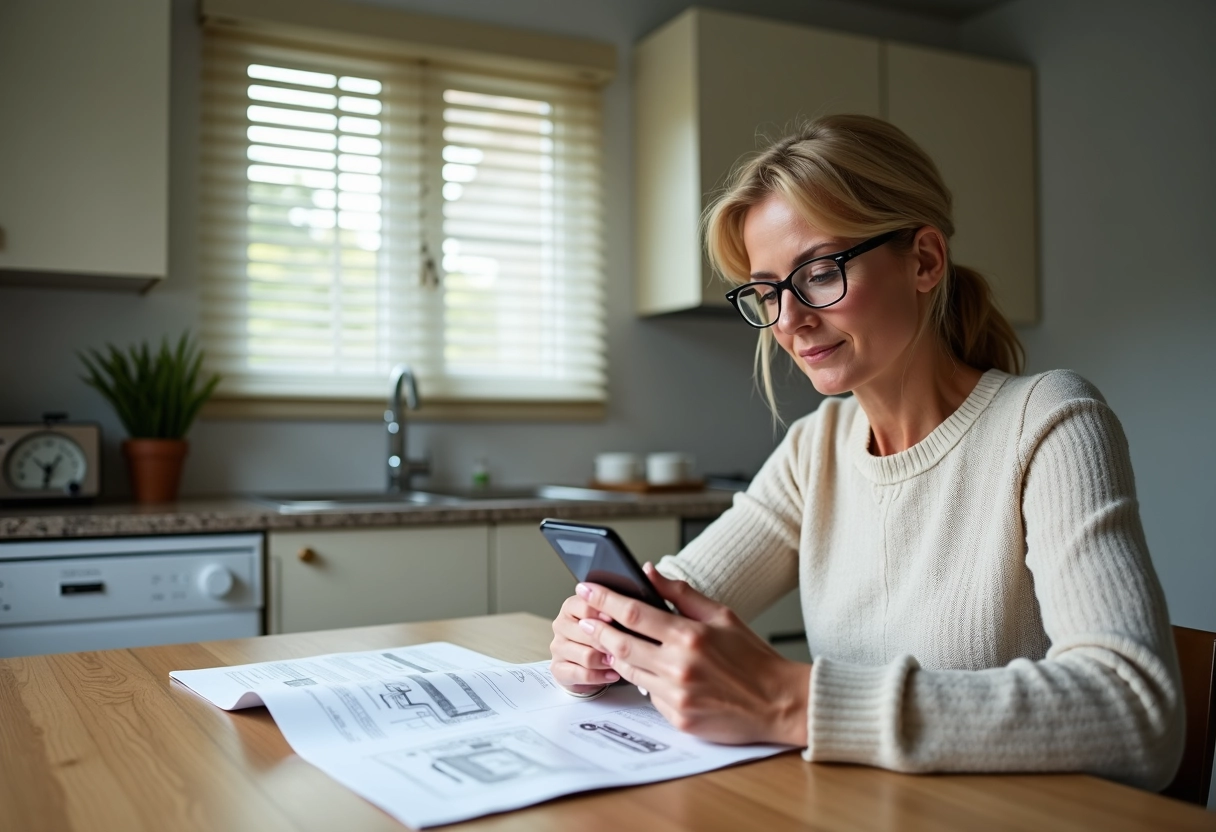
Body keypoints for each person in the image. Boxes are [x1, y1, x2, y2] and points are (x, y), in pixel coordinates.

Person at [549, 114, 1184, 790]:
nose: (790, 321)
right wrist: (599, 635)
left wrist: (792, 701)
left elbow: (1136, 711)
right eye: (767, 291)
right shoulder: (814, 449)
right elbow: (675, 599)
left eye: (819, 273)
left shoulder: (1049, 423)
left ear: (924, 260)